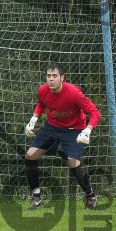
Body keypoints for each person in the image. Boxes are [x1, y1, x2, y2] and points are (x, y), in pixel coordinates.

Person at [24, 62, 101, 210]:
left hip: (74, 129)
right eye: (48, 76)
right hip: (52, 127)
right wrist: (34, 119)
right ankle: (36, 197)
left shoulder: (73, 93)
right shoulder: (42, 90)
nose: (51, 79)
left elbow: (95, 113)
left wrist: (88, 130)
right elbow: (41, 103)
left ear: (62, 78)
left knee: (73, 163)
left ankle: (90, 196)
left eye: (54, 76)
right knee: (30, 156)